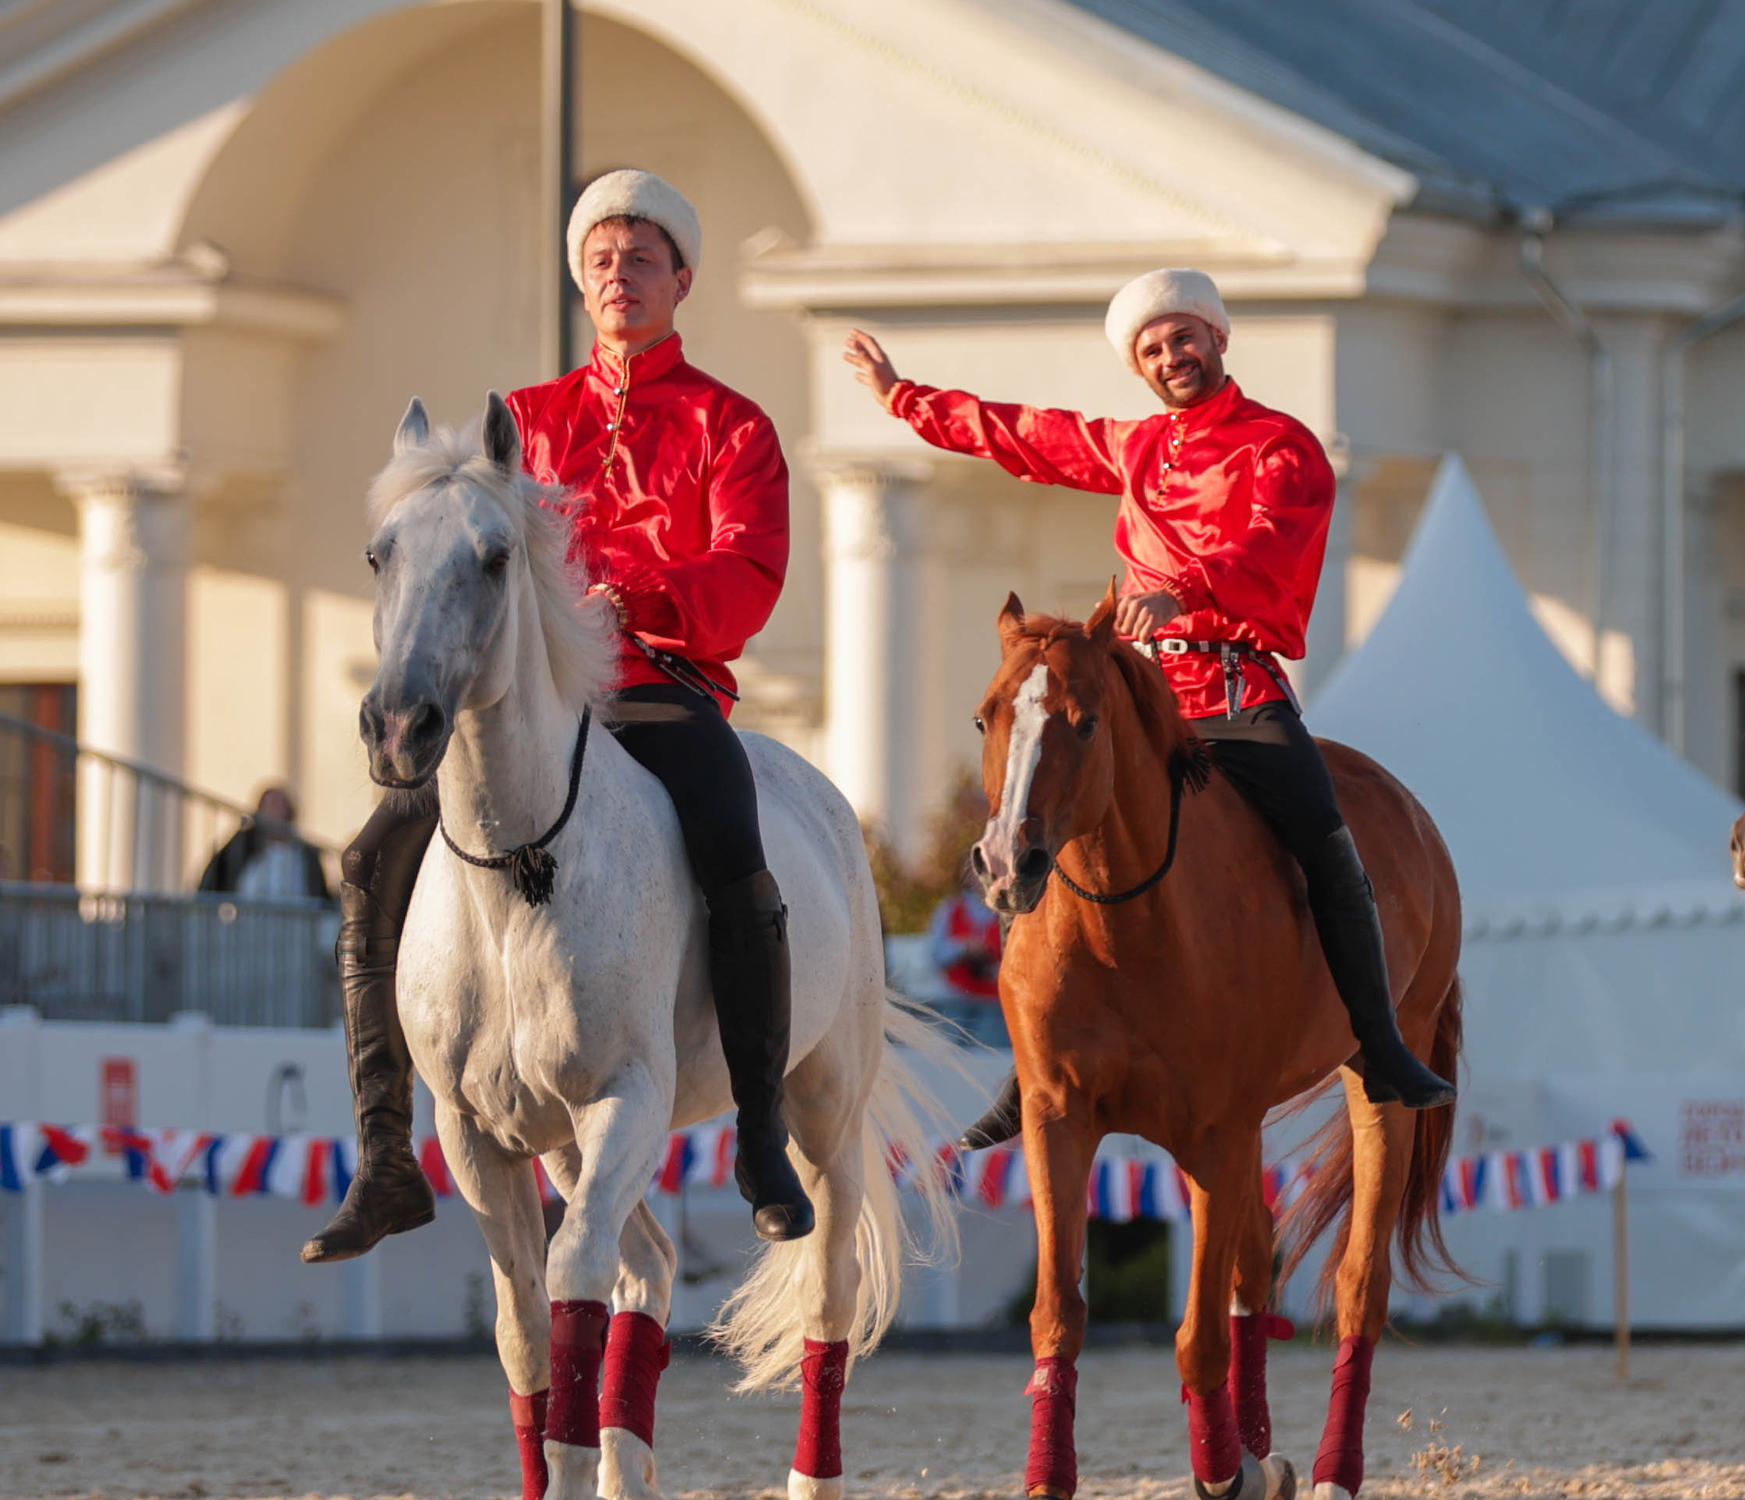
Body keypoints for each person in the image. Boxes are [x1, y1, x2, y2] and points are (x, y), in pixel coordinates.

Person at [303, 170, 812, 1263]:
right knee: (371, 856)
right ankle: (385, 1154)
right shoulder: (524, 423)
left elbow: (750, 573)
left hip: (654, 684)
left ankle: (763, 1129)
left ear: (681, 279)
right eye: (601, 261)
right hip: (520, 701)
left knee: (733, 831)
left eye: (641, 260)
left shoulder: (732, 424)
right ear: (582, 284)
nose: (620, 277)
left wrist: (643, 598)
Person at [842, 267, 1455, 1138]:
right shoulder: (1137, 447)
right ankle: (1035, 1064)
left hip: (1233, 691)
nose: (1172, 357)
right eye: (1154, 349)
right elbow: (1027, 435)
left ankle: (1379, 1039)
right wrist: (906, 399)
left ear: (1218, 339)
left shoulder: (1280, 447)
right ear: (1140, 366)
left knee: (1324, 835)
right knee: (1039, 820)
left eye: (1184, 338)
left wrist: (1185, 591)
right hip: (1138, 696)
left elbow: (1274, 547)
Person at [199, 784, 330, 903]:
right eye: (271, 804)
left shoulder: (306, 854)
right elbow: (216, 878)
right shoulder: (243, 846)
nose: (276, 811)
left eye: (281, 805)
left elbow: (320, 894)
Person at [926, 880, 1006, 1046]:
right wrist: (963, 948)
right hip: (956, 997)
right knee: (948, 1050)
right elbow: (935, 955)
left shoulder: (1009, 911)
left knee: (989, 1048)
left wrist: (995, 969)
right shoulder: (951, 908)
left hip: (995, 1003)